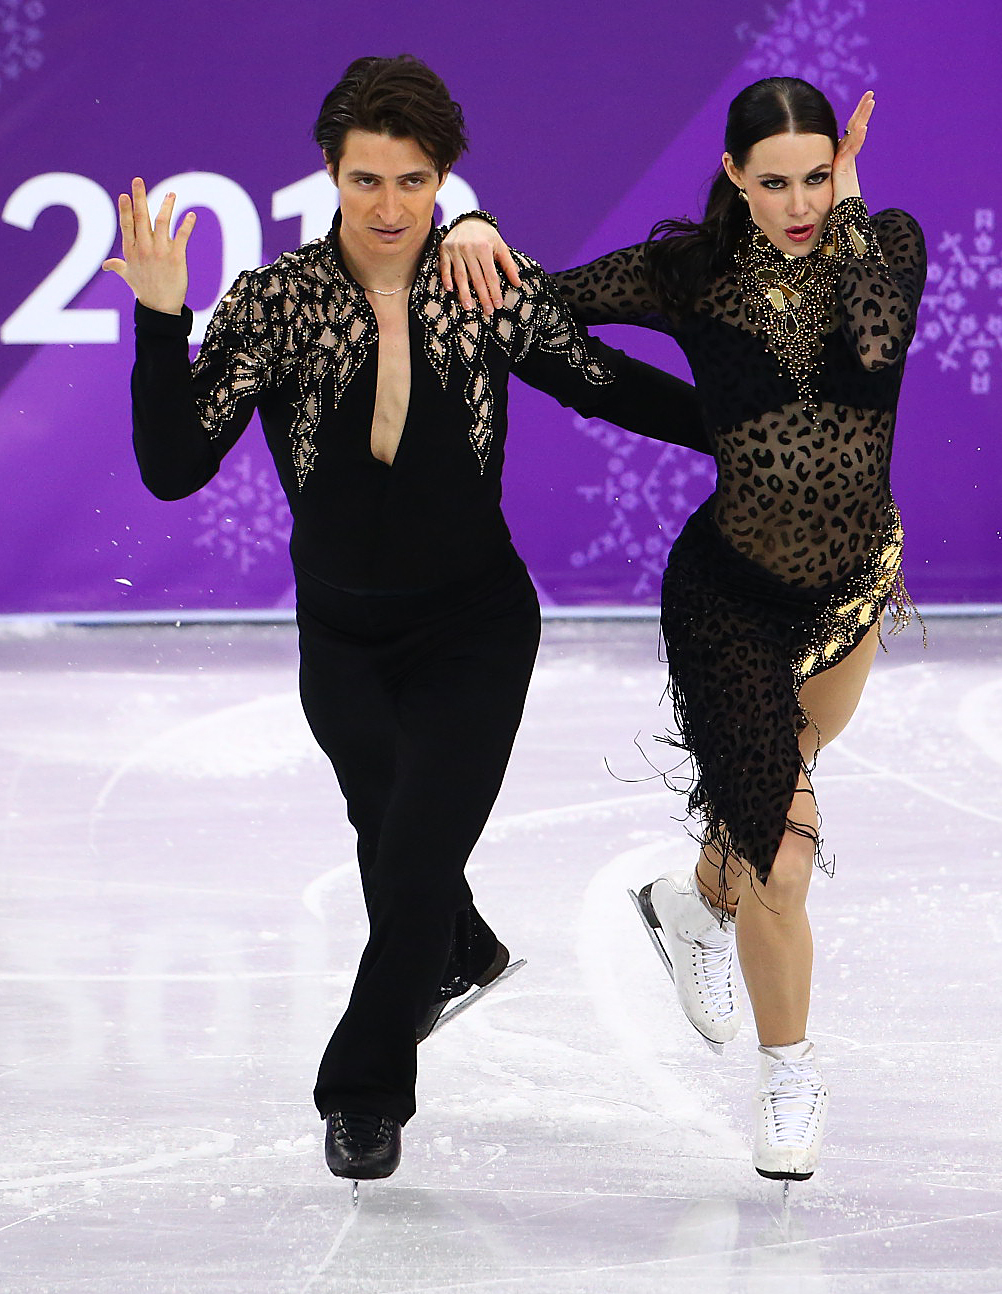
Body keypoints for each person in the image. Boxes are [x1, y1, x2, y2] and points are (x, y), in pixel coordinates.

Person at [102, 55, 711, 1185]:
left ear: (446, 181)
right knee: (398, 857)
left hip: (475, 627)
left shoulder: (482, 282)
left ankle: (363, 1091)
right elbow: (173, 466)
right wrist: (157, 317)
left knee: (417, 854)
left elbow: (598, 380)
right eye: (366, 180)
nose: (389, 208)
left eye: (415, 181)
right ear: (330, 176)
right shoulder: (280, 300)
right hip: (340, 640)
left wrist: (744, 435)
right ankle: (458, 948)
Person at [440, 77, 926, 1182]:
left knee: (772, 785)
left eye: (813, 177)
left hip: (852, 590)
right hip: (728, 600)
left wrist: (850, 204)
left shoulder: (884, 245)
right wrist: (469, 222)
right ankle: (788, 1071)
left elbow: (876, 344)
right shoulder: (691, 273)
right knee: (787, 855)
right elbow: (532, 304)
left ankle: (690, 904)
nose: (797, 202)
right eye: (774, 182)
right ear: (731, 179)